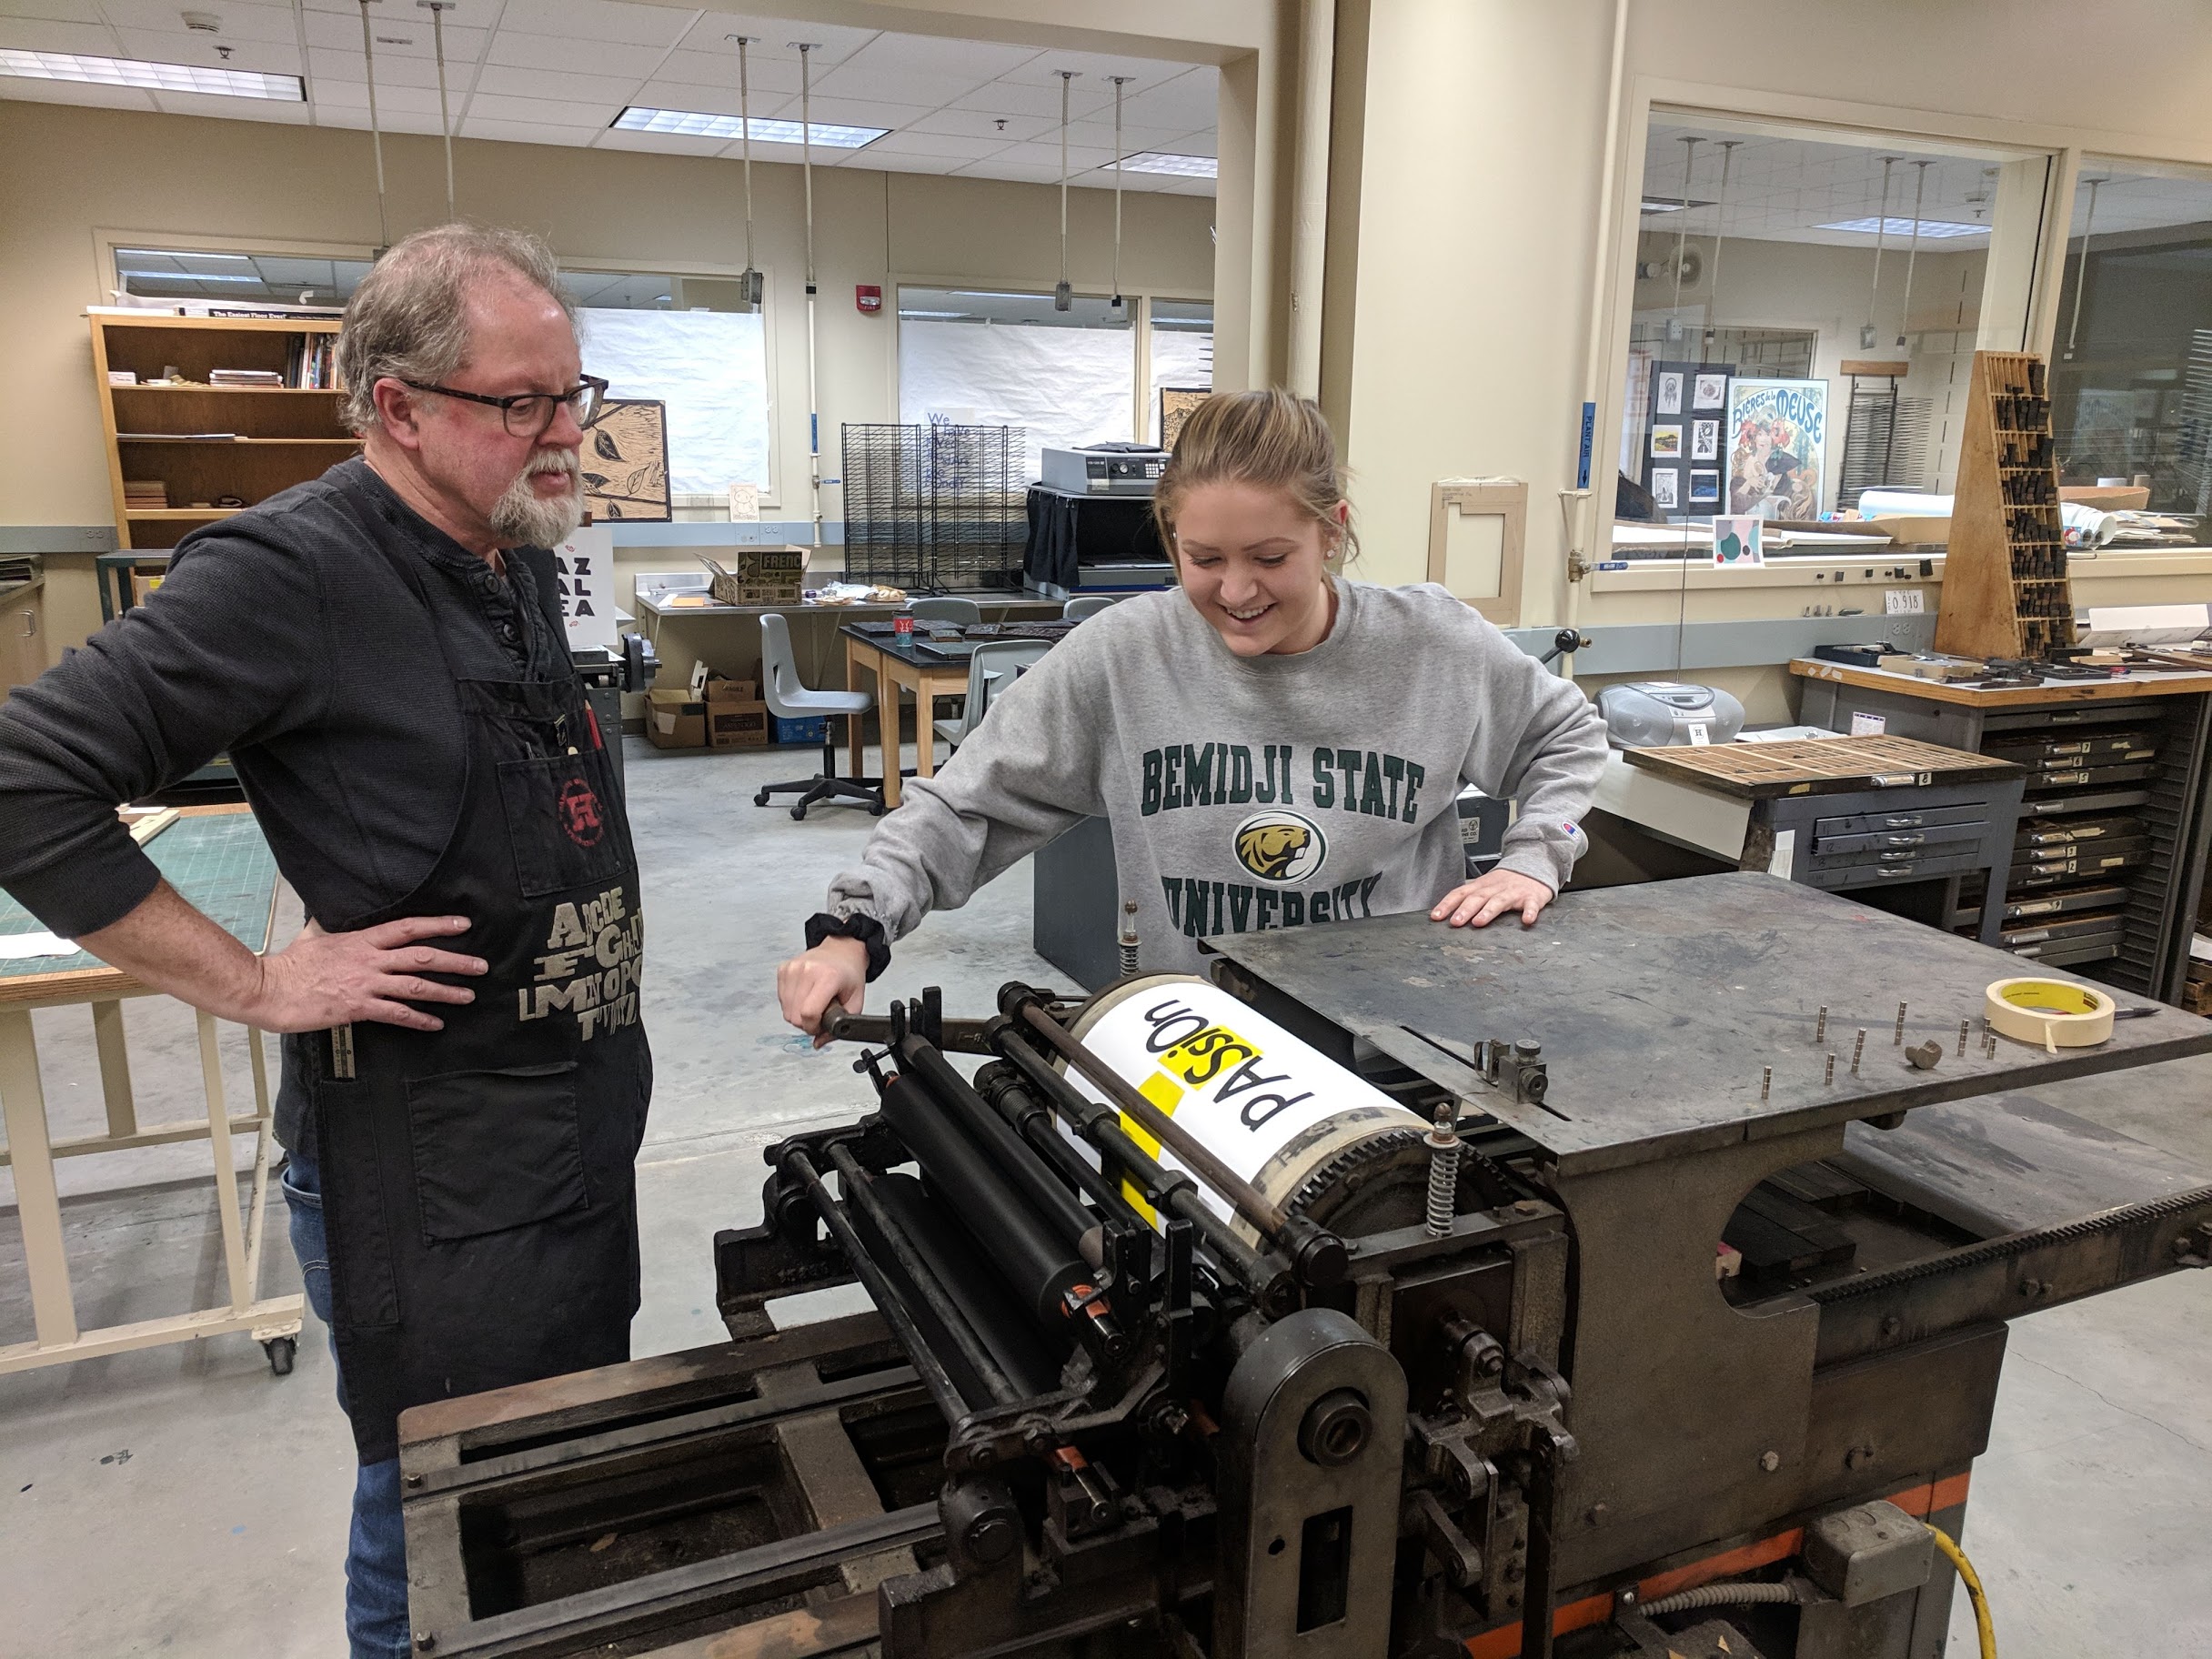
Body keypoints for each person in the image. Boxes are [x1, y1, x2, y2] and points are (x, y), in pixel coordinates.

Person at [0, 224, 651, 1659]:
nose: (566, 438)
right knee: (430, 1510)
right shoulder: (290, 572)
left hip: (567, 1136)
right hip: (434, 1167)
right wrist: (254, 982)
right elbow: (24, 776)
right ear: (396, 405)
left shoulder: (512, 549)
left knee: (542, 1481)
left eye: (574, 396)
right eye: (520, 403)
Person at [777, 388, 1609, 1035]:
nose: (1237, 592)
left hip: (1395, 1043)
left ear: (1332, 532)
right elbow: (965, 805)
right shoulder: (1122, 656)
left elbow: (1568, 739)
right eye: (1202, 558)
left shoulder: (1432, 646)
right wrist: (853, 927)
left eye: (1271, 557)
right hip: (1193, 1045)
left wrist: (1538, 854)